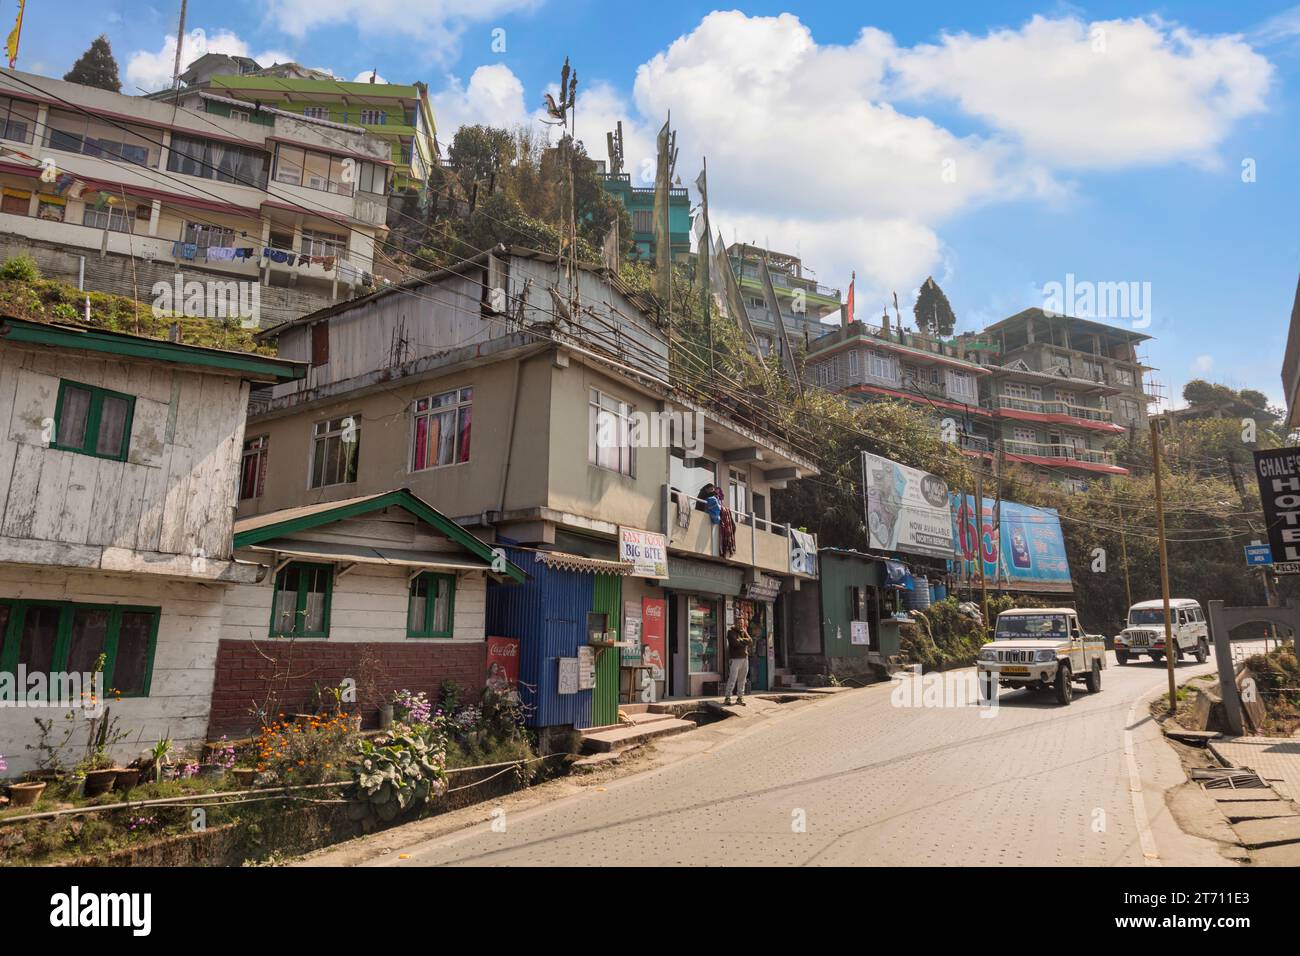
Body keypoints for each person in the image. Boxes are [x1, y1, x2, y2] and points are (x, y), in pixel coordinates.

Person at [723, 613, 753, 705]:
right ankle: (727, 697)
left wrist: (742, 640)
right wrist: (744, 642)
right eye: (739, 623)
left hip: (745, 658)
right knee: (732, 678)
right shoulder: (730, 632)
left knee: (742, 679)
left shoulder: (743, 631)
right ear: (735, 623)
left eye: (742, 623)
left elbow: (750, 641)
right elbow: (735, 643)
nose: (741, 625)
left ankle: (740, 697)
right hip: (735, 659)